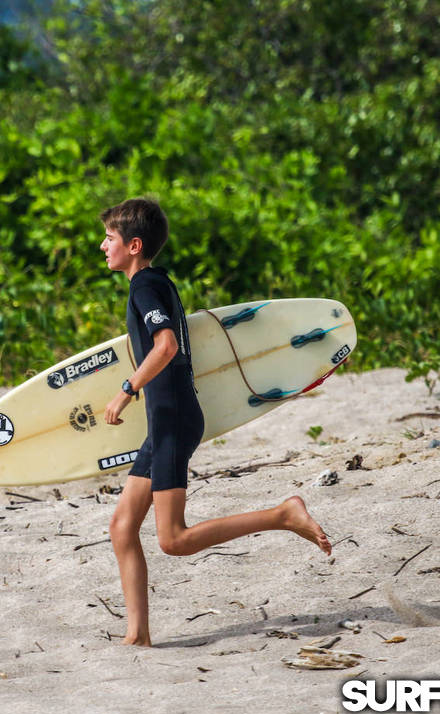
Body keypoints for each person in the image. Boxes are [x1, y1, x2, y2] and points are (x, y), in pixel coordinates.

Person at [99, 197, 332, 647]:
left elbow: (165, 346)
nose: (102, 246)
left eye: (109, 239)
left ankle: (283, 514)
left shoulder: (145, 286)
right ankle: (138, 634)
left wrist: (127, 390)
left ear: (133, 245)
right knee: (123, 527)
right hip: (169, 419)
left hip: (171, 421)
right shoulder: (159, 282)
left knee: (174, 540)